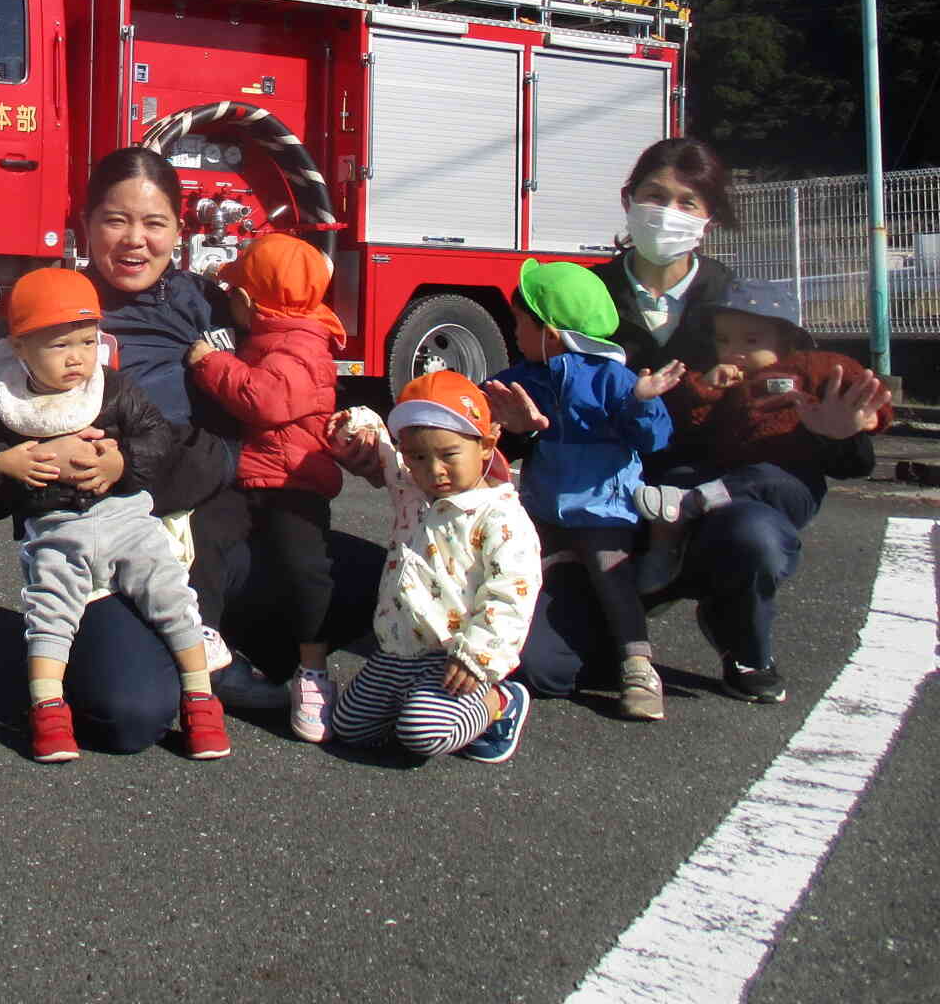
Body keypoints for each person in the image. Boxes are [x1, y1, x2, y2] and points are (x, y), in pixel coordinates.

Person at [0, 146, 378, 752]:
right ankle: (202, 659)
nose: (135, 240)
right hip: (103, 547)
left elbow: (277, 393)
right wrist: (25, 468)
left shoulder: (207, 304)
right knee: (130, 715)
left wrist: (351, 440)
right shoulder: (45, 309)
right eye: (116, 219)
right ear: (83, 222)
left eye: (154, 223)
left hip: (213, 528)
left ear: (179, 231)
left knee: (381, 582)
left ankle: (226, 641)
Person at [490, 135, 892, 706]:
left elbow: (804, 407)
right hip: (605, 504)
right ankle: (624, 618)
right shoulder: (583, 293)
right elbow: (527, 394)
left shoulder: (742, 303)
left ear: (710, 218)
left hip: (711, 500)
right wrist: (520, 428)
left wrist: (841, 437)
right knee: (546, 671)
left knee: (753, 538)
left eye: (688, 203)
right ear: (628, 200)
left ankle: (740, 637)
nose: (669, 213)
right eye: (655, 196)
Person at [0, 267, 230, 762]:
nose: (76, 358)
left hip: (127, 519)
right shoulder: (2, 403)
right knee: (50, 615)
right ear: (19, 349)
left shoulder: (114, 389)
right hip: (59, 530)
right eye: (59, 346)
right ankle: (48, 709)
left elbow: (156, 437)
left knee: (172, 598)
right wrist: (0, 461)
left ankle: (200, 700)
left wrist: (124, 460)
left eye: (85, 342)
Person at [633, 281, 892, 700]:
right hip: (708, 487)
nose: (735, 350)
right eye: (724, 339)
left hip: (779, 486)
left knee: (756, 523)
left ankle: (746, 650)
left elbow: (863, 402)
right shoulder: (715, 380)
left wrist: (854, 427)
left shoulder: (808, 369)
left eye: (752, 340)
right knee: (673, 481)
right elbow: (682, 433)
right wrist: (705, 393)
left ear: (786, 340)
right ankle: (660, 571)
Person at [490, 260, 682, 722]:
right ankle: (493, 648)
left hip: (604, 510)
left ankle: (638, 666)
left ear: (551, 334)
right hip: (543, 509)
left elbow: (655, 439)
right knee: (515, 574)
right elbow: (479, 402)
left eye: (520, 322)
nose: (514, 331)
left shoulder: (615, 379)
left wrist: (642, 402)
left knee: (611, 578)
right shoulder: (527, 376)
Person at [329, 372, 542, 765]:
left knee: (421, 733)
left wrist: (478, 656)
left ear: (486, 446)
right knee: (348, 727)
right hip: (397, 648)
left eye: (449, 455)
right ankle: (417, 701)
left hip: (454, 655)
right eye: (419, 457)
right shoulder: (415, 491)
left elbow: (511, 592)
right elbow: (384, 453)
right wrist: (354, 425)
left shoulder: (499, 516)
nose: (435, 470)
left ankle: (500, 702)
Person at [183, 233, 345, 742]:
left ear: (250, 303)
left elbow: (265, 400)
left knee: (306, 568)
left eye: (234, 293)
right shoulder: (283, 331)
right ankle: (205, 631)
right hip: (255, 471)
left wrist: (207, 362)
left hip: (296, 481)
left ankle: (313, 667)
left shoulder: (302, 344)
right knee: (204, 533)